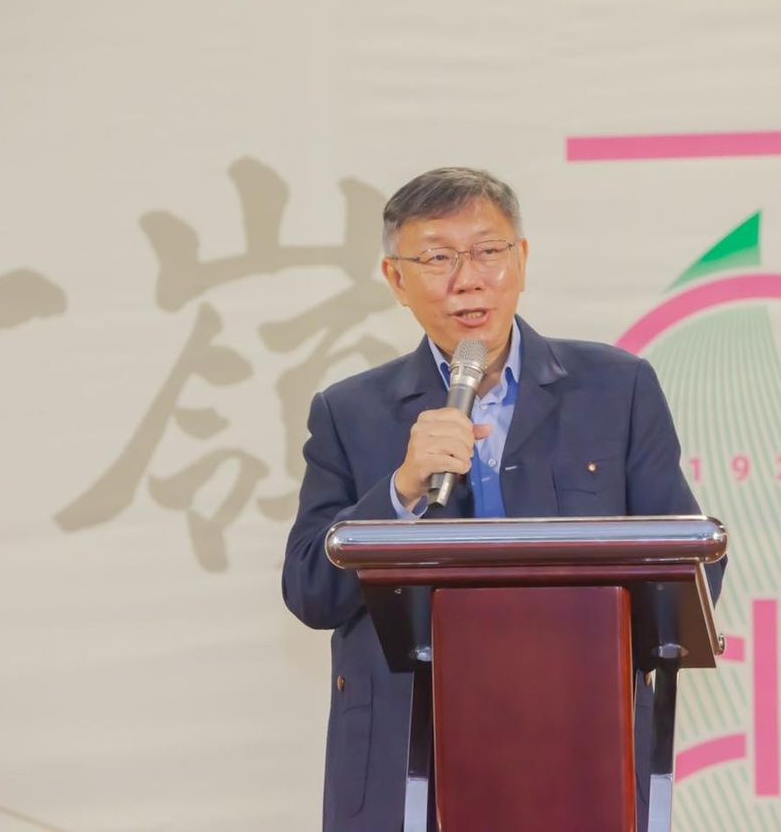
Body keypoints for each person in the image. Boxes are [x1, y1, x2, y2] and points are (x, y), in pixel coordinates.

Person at [282, 167, 726, 831]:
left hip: (580, 748)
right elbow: (310, 590)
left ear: (521, 259)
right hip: (408, 765)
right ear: (396, 280)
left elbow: (694, 568)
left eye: (488, 251)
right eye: (437, 258)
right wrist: (401, 490)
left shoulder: (616, 388)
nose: (468, 279)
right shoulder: (350, 412)